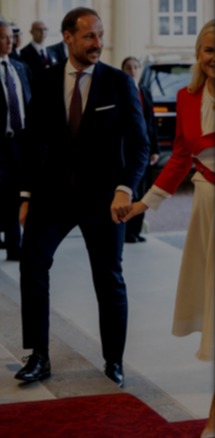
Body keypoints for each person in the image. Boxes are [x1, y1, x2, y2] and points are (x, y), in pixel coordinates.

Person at [14, 7, 149, 388]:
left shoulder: (118, 83)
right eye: (89, 36)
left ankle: (114, 360)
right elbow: (31, 142)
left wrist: (125, 188)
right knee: (32, 266)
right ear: (68, 37)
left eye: (100, 36)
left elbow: (140, 146)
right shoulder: (43, 80)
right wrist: (26, 196)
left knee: (109, 278)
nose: (97, 44)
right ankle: (38, 355)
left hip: (104, 199)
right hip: (50, 197)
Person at [123, 19, 215, 438]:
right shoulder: (186, 96)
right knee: (210, 298)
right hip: (203, 204)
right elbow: (180, 157)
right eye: (207, 50)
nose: (214, 58)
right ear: (199, 55)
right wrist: (145, 203)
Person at [0, 20, 32, 262]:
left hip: (19, 143)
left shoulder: (19, 68)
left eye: (11, 37)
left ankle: (14, 246)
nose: (9, 41)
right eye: (3, 37)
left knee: (15, 195)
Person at [121, 56, 160, 244]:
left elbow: (151, 122)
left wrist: (155, 149)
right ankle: (126, 231)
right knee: (131, 190)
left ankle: (136, 231)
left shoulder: (144, 91)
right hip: (127, 150)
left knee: (144, 191)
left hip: (145, 150)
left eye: (136, 67)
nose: (132, 70)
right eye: (128, 67)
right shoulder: (119, 92)